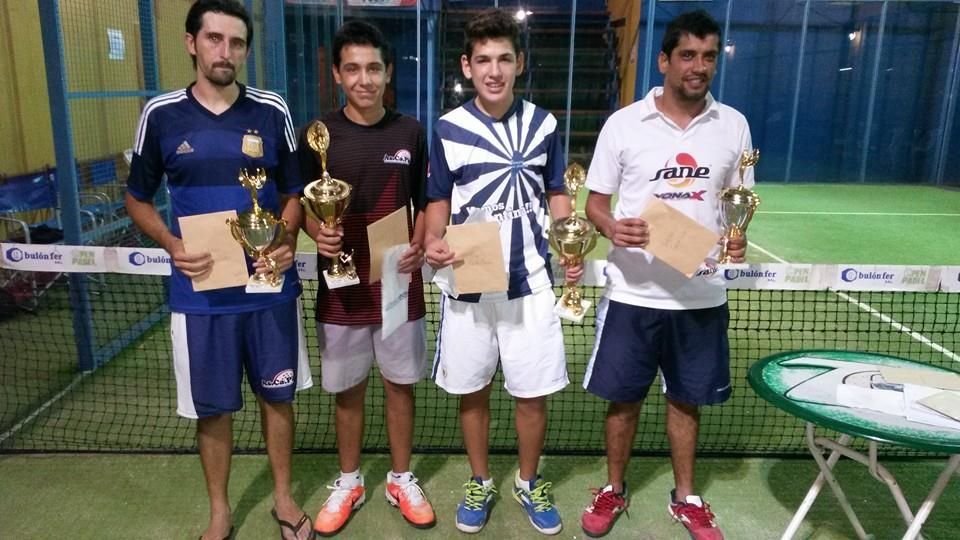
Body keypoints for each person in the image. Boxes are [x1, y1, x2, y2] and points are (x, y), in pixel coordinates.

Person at [124, 2, 314, 539]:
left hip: (269, 291)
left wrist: (285, 238)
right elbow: (137, 198)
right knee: (213, 410)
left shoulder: (272, 110)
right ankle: (220, 512)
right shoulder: (161, 115)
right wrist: (170, 242)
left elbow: (293, 193)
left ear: (246, 50)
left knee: (278, 397)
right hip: (201, 297)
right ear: (192, 43)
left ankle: (283, 498)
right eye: (214, 39)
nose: (225, 51)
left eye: (236, 42)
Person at [578, 10, 752, 540]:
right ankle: (613, 488)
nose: (698, 66)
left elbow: (738, 203)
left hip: (700, 295)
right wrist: (612, 227)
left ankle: (686, 496)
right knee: (623, 399)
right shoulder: (624, 124)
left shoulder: (734, 125)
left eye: (708, 56)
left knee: (686, 400)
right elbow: (595, 203)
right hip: (632, 293)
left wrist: (737, 237)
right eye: (687, 55)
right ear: (664, 61)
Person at [423, 8, 582, 536]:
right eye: (484, 60)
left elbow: (557, 191)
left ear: (520, 64)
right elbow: (438, 198)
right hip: (468, 281)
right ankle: (481, 480)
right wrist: (433, 239)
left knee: (531, 394)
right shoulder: (448, 128)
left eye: (504, 59)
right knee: (474, 391)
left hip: (530, 283)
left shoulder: (544, 125)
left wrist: (568, 241)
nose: (494, 70)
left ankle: (528, 481)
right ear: (467, 66)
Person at [298, 20, 435, 536]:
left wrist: (418, 242)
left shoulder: (411, 132)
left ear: (388, 72)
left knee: (400, 387)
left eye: (374, 68)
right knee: (348, 391)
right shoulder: (319, 135)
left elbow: (426, 202)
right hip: (342, 290)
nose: (364, 79)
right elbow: (302, 203)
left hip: (398, 285)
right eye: (353, 69)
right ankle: (350, 480)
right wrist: (318, 233)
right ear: (337, 74)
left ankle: (401, 478)